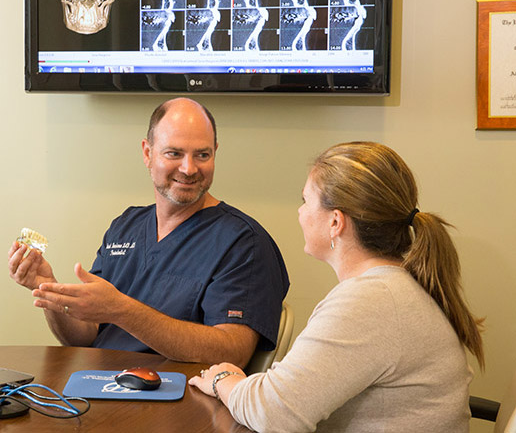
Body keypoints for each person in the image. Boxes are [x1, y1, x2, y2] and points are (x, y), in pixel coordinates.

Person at [190, 141, 484, 432]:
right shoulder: (397, 288)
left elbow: (275, 414)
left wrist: (223, 380)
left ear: (335, 222)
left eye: (305, 200)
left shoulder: (371, 302)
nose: (300, 212)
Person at [7, 97, 289, 367]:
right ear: (147, 153)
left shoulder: (243, 243)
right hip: (99, 385)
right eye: (174, 153)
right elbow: (87, 334)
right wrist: (46, 289)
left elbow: (232, 352)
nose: (189, 168)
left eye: (202, 155)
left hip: (173, 402)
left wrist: (122, 310)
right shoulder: (126, 225)